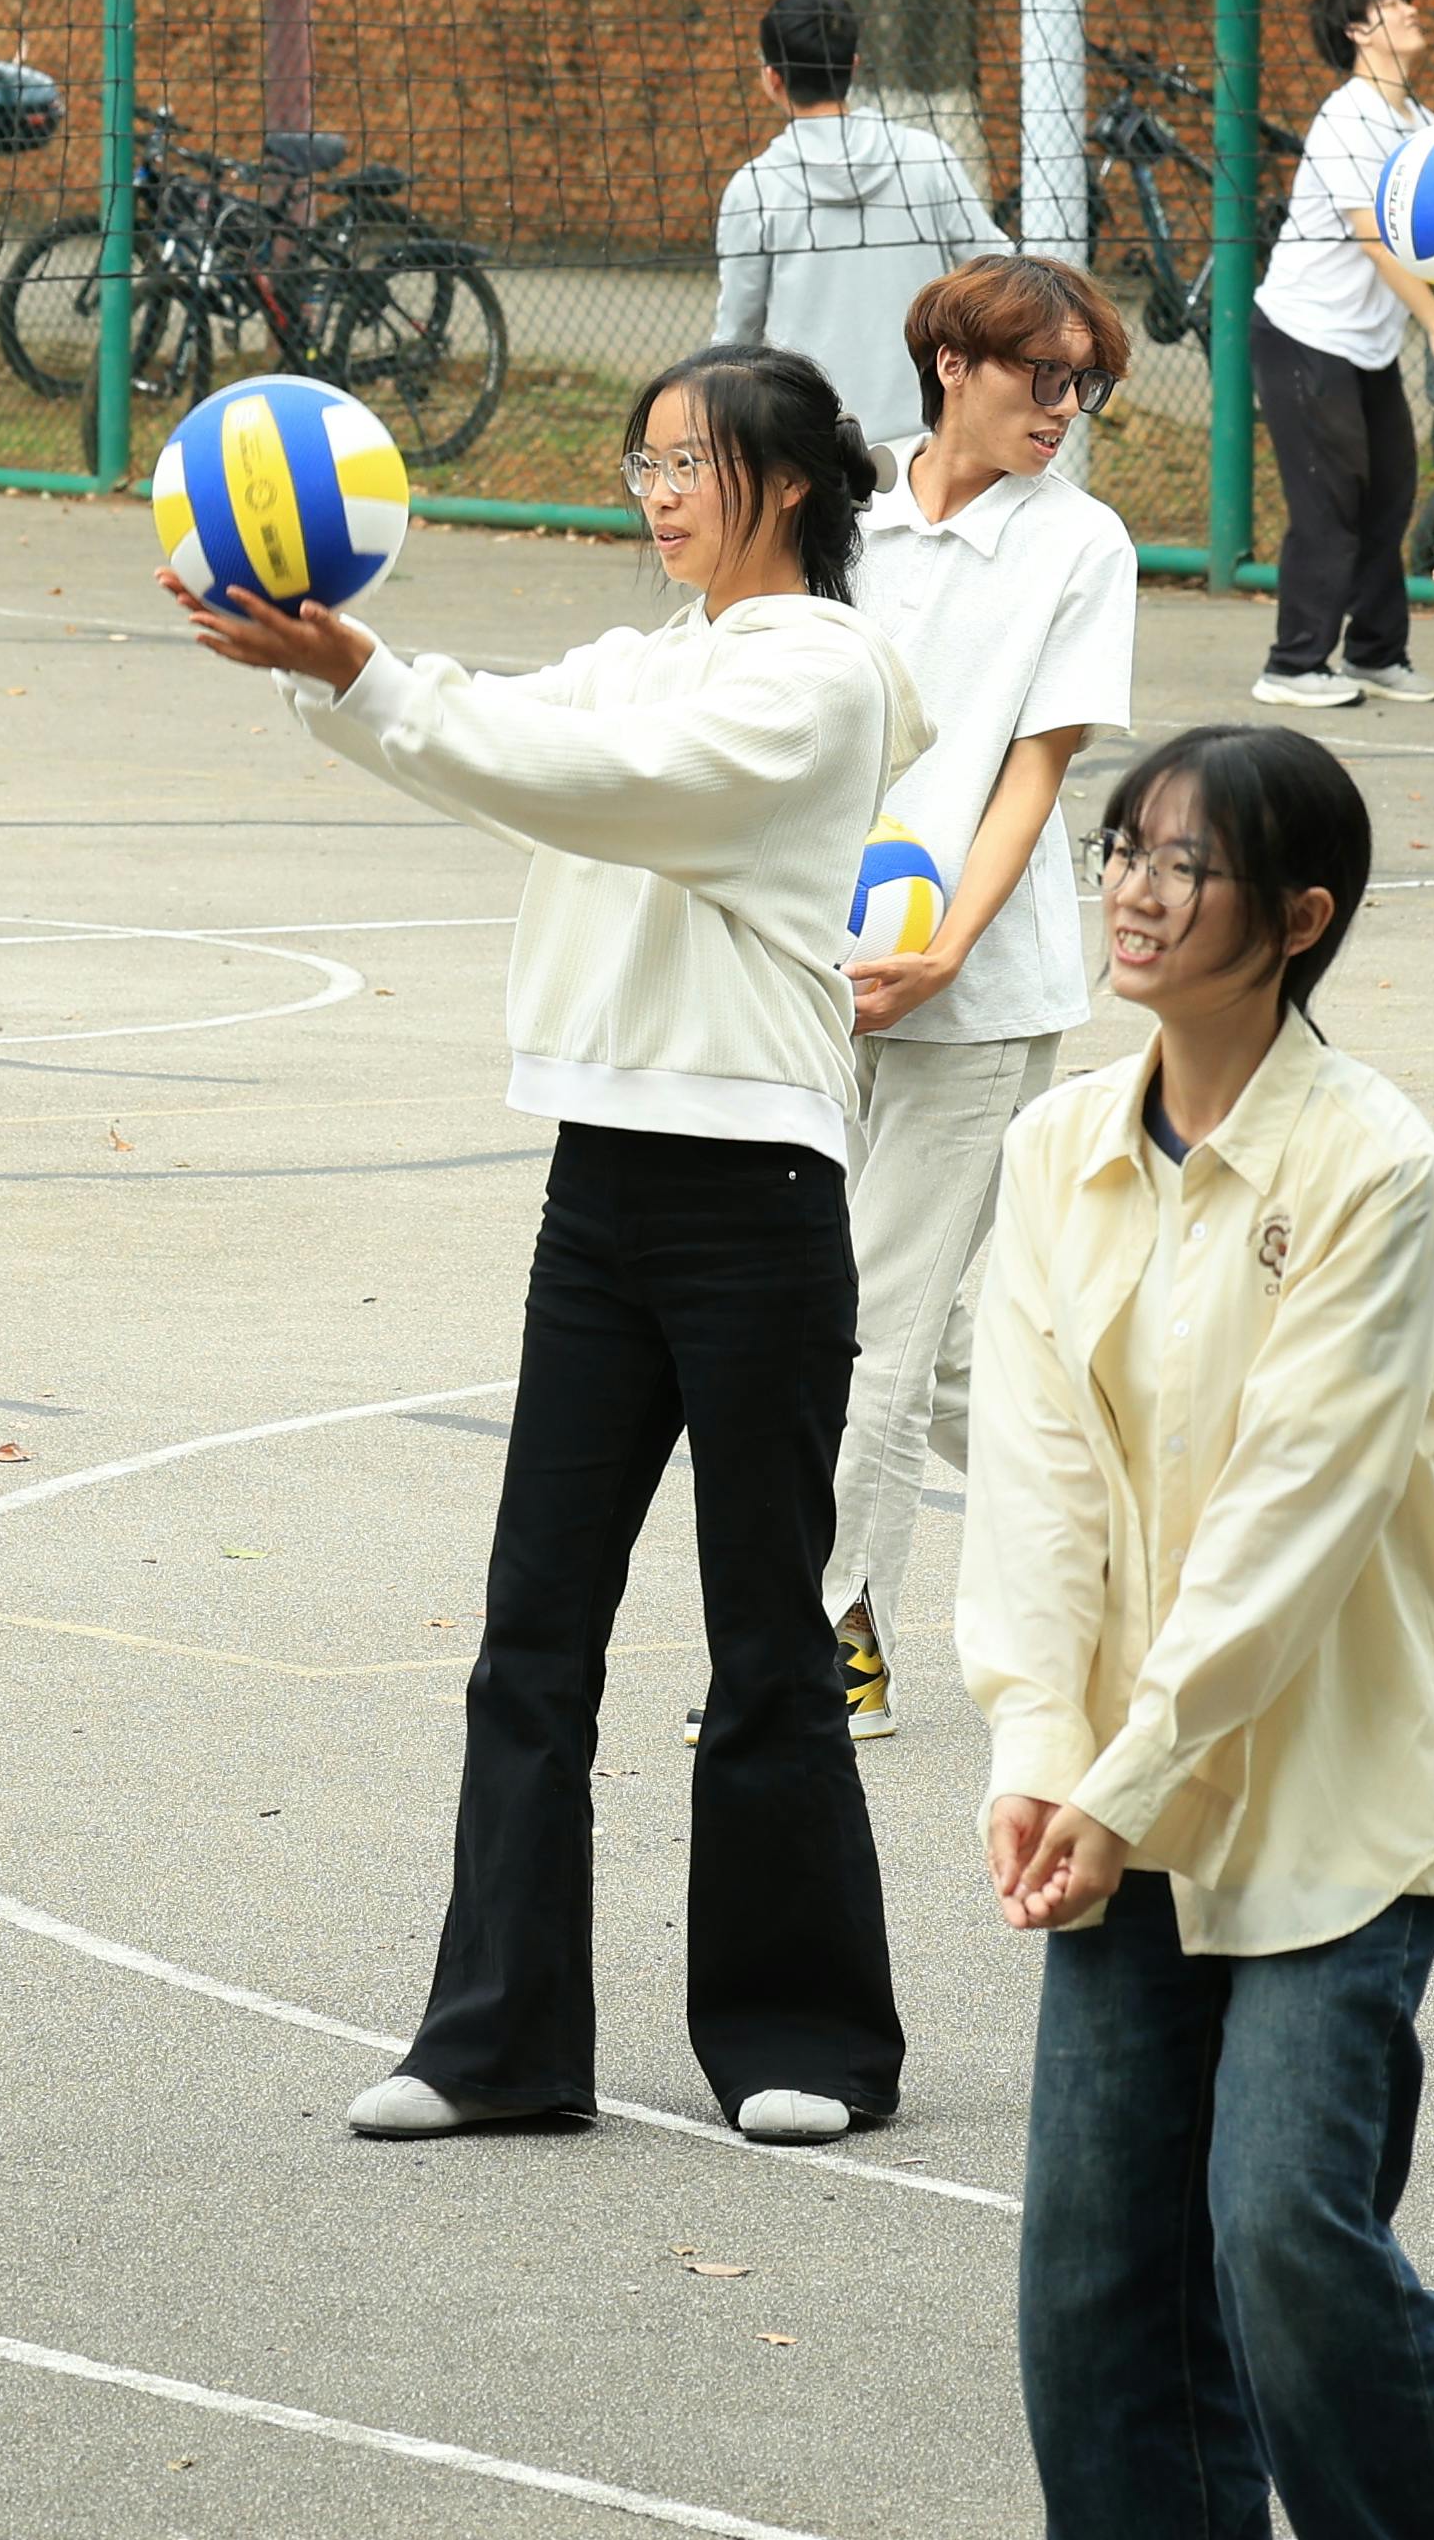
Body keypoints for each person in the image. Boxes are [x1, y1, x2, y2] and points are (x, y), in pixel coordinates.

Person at [176, 341, 913, 2148]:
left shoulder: (819, 674)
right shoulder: (644, 654)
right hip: (603, 1181)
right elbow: (514, 734)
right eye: (643, 459)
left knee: (763, 1625)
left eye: (692, 461)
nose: (657, 491)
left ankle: (800, 2031)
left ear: (791, 481)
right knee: (533, 1629)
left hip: (758, 1192)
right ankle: (496, 2034)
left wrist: (367, 675)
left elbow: (600, 785)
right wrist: (334, 666)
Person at [966, 721, 1434, 2540]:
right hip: (1129, 1785)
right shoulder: (1057, 1144)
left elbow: (1294, 1523)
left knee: (1282, 2221)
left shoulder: (1369, 1169)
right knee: (1089, 2245)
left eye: (1184, 865)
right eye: (1120, 851)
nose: (1131, 889)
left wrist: (1126, 1772)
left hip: (1332, 1778)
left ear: (1297, 916)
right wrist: (1034, 1746)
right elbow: (1037, 1474)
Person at [832, 253, 1142, 1740]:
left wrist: (947, 946)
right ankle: (1133, 1541)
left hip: (979, 983)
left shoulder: (1079, 545)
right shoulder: (843, 514)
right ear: (954, 365)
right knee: (954, 1350)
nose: (1066, 409)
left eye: (1087, 385)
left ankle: (820, 1639)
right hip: (817, 969)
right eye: (1043, 378)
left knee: (872, 1322)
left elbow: (1037, 770)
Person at [1251, 0, 1434, 716]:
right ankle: (1294, 663)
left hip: (1362, 346)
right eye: (1394, 5)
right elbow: (1377, 238)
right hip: (1302, 336)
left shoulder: (1422, 126)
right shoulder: (1344, 120)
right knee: (1330, 500)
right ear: (1357, 30)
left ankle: (1374, 653)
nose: (1411, 13)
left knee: (1391, 491)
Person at [715, 0, 1000, 444]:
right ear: (852, 66)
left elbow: (734, 340)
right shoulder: (927, 158)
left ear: (771, 77)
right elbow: (1000, 273)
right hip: (928, 436)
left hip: (808, 440)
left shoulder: (754, 188)